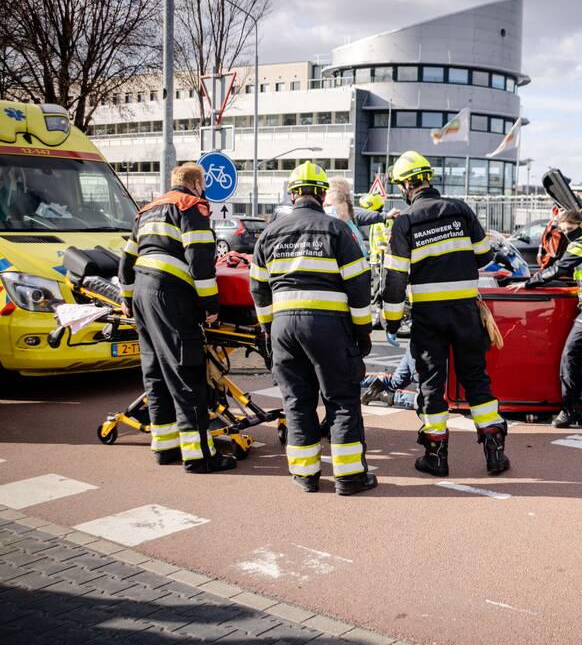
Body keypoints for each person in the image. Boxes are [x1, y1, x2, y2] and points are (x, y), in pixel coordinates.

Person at [250, 161, 376, 495]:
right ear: (321, 195)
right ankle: (350, 478)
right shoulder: (337, 230)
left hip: (283, 329)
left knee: (297, 401)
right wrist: (362, 331)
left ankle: (306, 476)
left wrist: (267, 328)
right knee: (342, 398)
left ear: (292, 194)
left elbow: (258, 288)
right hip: (329, 327)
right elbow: (359, 285)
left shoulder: (269, 233)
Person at [381, 150, 510, 477]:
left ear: (407, 186)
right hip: (466, 312)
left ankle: (436, 457)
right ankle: (494, 453)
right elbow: (484, 256)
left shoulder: (404, 222)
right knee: (476, 379)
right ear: (427, 179)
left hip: (429, 318)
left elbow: (394, 278)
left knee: (431, 385)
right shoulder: (460, 210)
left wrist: (392, 322)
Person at [117, 162, 236, 473]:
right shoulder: (192, 206)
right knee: (186, 372)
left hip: (142, 295)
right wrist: (210, 305)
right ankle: (199, 456)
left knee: (155, 373)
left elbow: (126, 261)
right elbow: (200, 260)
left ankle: (166, 447)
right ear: (197, 184)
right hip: (171, 296)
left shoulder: (147, 210)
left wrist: (128, 301)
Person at [509, 208, 582, 429]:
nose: (566, 235)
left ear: (581, 226)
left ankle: (569, 410)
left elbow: (558, 268)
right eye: (563, 231)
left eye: (569, 229)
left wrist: (527, 283)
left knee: (571, 355)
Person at [537, 204, 567, 269]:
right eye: (562, 210)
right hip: (553, 268)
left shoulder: (554, 225)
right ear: (555, 211)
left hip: (556, 269)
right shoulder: (553, 225)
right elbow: (551, 250)